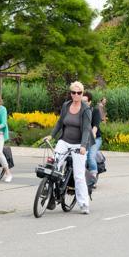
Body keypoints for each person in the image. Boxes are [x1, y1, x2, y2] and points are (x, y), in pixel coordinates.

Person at [44, 81, 94, 215]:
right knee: (53, 166)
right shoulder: (66, 105)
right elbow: (60, 122)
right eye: (74, 92)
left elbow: (86, 130)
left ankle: (83, 204)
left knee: (78, 176)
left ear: (82, 93)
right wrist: (51, 136)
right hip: (65, 141)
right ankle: (51, 194)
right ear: (71, 93)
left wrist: (83, 146)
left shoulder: (86, 109)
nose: (76, 95)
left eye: (79, 93)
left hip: (79, 144)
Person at [83, 91, 102, 186]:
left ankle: (93, 177)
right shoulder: (79, 110)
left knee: (90, 156)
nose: (83, 103)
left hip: (95, 139)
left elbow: (95, 125)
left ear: (90, 102)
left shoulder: (95, 111)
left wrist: (93, 133)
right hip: (82, 138)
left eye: (85, 101)